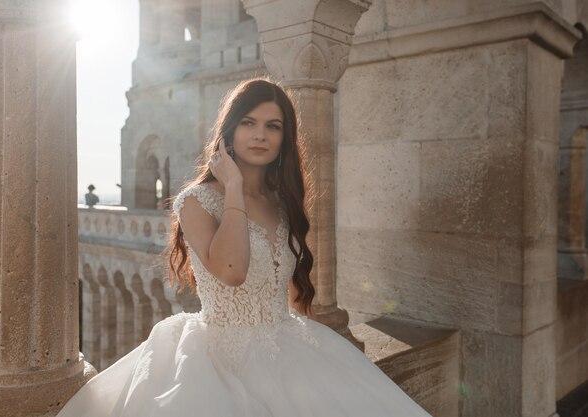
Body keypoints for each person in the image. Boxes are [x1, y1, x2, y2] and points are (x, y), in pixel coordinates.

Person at [56, 78, 432, 417]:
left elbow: (294, 291)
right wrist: (233, 187)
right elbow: (232, 271)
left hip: (287, 349)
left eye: (273, 126)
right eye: (248, 123)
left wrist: (326, 354)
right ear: (229, 131)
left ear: (285, 137)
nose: (260, 135)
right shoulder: (195, 202)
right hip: (217, 360)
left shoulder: (282, 202)